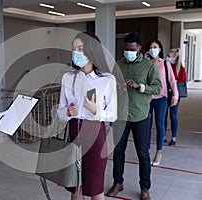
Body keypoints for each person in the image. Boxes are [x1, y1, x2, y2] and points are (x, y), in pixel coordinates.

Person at [58, 32, 117, 200]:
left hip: (96, 134)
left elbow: (112, 115)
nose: (76, 52)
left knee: (95, 188)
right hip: (74, 131)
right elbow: (60, 112)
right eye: (74, 49)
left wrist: (96, 110)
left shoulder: (107, 79)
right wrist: (68, 112)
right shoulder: (68, 77)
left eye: (81, 49)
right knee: (76, 187)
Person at [106, 33, 162, 200]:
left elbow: (157, 88)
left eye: (131, 49)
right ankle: (118, 182)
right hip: (121, 116)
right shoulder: (118, 65)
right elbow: (109, 87)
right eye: (125, 49)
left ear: (139, 48)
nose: (127, 52)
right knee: (118, 151)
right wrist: (117, 88)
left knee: (143, 154)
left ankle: (145, 188)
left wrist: (140, 86)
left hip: (140, 116)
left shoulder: (148, 66)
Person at [145, 40, 178, 166]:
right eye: (151, 47)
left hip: (161, 98)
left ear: (159, 49)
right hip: (147, 98)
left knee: (160, 125)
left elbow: (172, 81)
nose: (153, 49)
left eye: (155, 47)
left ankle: (159, 151)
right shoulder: (145, 63)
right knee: (146, 125)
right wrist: (144, 59)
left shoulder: (165, 64)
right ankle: (146, 151)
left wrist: (175, 94)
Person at [164, 48, 187, 146]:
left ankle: (173, 137)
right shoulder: (165, 66)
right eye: (167, 56)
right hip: (165, 93)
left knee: (173, 115)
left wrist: (174, 83)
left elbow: (183, 81)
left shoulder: (180, 69)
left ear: (175, 58)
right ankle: (163, 136)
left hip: (174, 94)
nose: (167, 58)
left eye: (169, 57)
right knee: (163, 115)